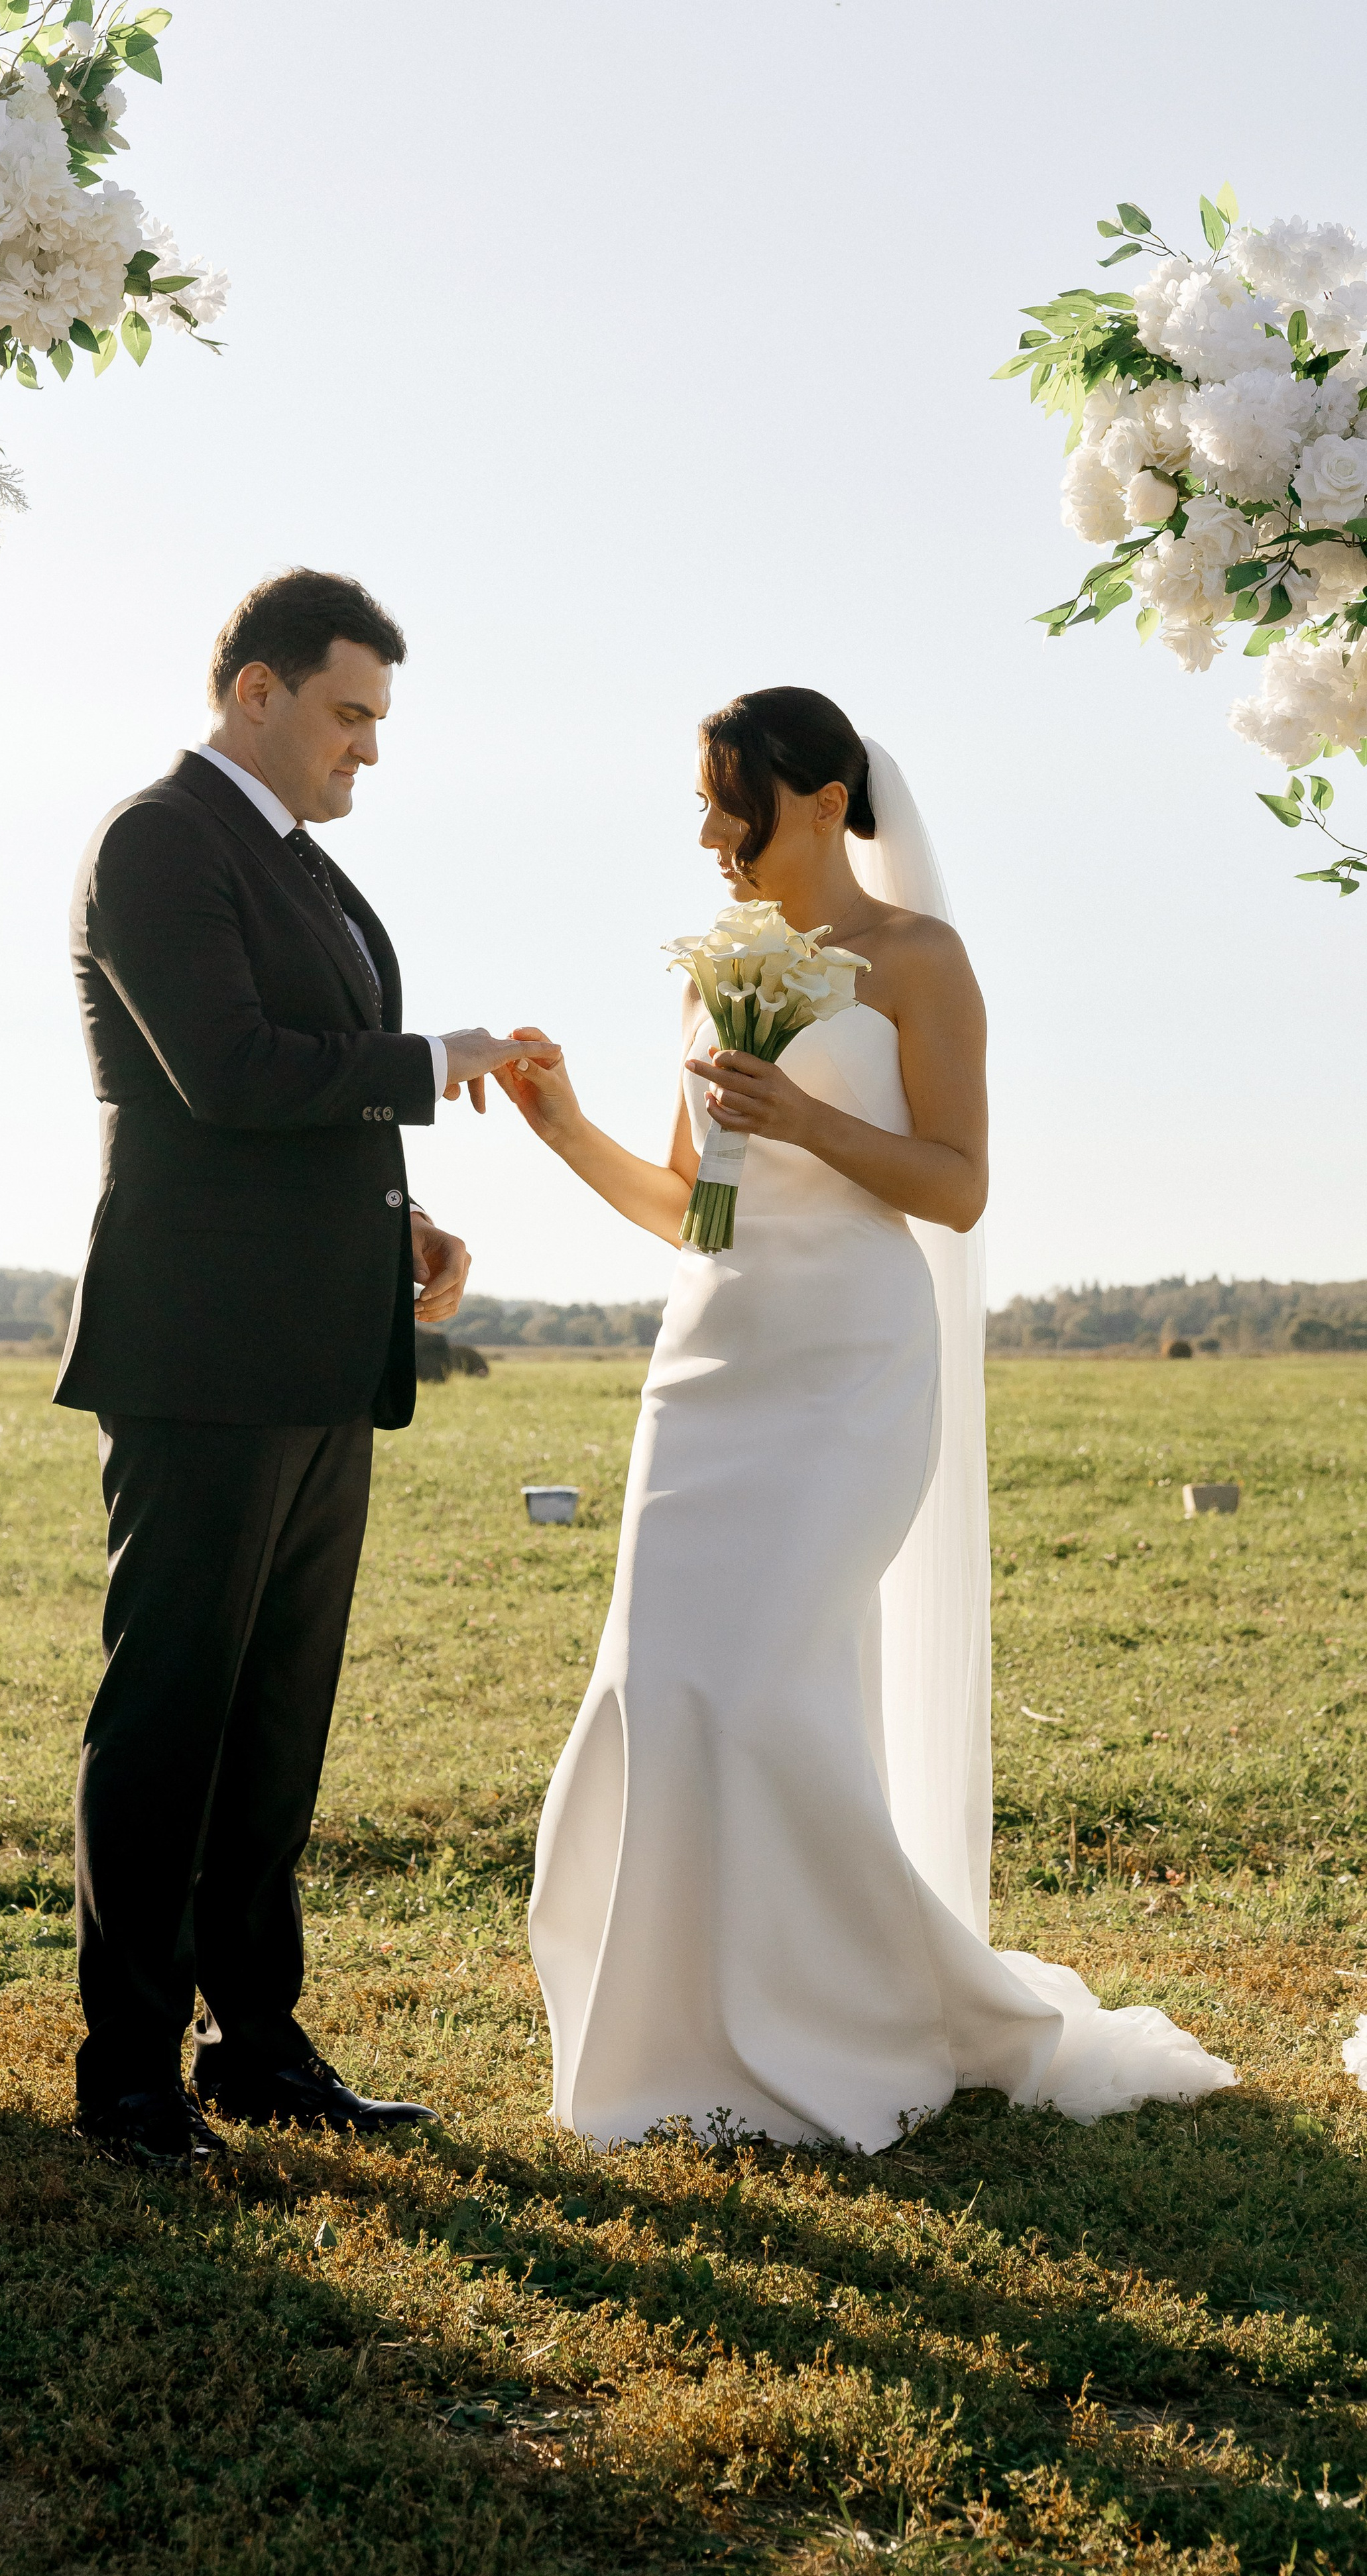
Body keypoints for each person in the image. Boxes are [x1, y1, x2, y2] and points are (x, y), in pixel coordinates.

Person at [493, 687, 1237, 2151]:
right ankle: (674, 2036)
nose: (711, 836)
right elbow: (692, 1206)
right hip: (707, 1364)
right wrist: (564, 1123)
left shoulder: (917, 959)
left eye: (735, 803)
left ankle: (847, 2019)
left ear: (826, 798)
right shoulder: (708, 971)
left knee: (761, 1686)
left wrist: (808, 1116)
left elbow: (956, 1184)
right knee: (662, 1688)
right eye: (702, 807)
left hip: (847, 1371)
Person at [56, 568, 525, 2164]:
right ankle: (124, 2070)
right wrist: (434, 1063)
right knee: (170, 1713)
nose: (366, 751)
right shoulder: (155, 841)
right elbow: (230, 1073)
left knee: (275, 1721)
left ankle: (255, 2045)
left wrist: (402, 1220)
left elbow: (290, 1116)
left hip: (323, 1350)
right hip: (197, 1351)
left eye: (377, 722)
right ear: (253, 691)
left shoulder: (308, 873)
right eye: (348, 713)